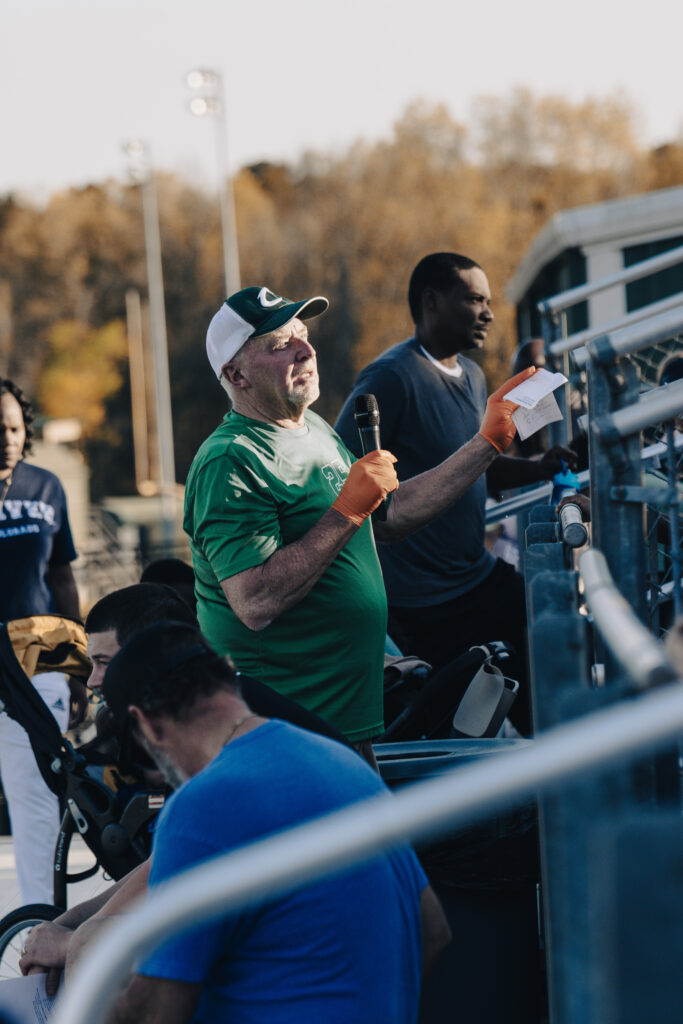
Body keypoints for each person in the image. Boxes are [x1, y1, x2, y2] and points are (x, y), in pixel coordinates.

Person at [184, 285, 534, 755]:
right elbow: (256, 600)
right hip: (288, 732)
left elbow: (389, 515)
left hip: (346, 717)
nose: (305, 350)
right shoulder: (229, 459)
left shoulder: (313, 428)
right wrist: (346, 511)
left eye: (303, 335)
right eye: (281, 344)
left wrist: (487, 443)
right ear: (236, 374)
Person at [99, 620, 451, 1024]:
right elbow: (433, 930)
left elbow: (156, 1011)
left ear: (147, 724)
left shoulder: (202, 804)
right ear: (226, 676)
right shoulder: (342, 761)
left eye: (140, 754)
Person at [20, 581, 352, 993]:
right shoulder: (248, 716)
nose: (92, 681)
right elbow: (172, 861)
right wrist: (71, 924)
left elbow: (172, 888)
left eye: (104, 662)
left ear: (148, 653)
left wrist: (75, 940)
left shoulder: (221, 763)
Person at [334, 254, 577, 734]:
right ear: (432, 301)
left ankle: (558, 764)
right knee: (451, 727)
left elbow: (471, 465)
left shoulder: (473, 375)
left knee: (547, 635)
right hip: (420, 603)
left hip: (475, 577)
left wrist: (538, 467)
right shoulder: (390, 377)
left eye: (488, 301)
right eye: (474, 300)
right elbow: (339, 471)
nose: (488, 313)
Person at [0, 377, 85, 904]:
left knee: (34, 798)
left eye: (14, 428)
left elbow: (62, 579)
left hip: (37, 657)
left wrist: (78, 671)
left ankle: (41, 927)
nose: (7, 439)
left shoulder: (45, 487)